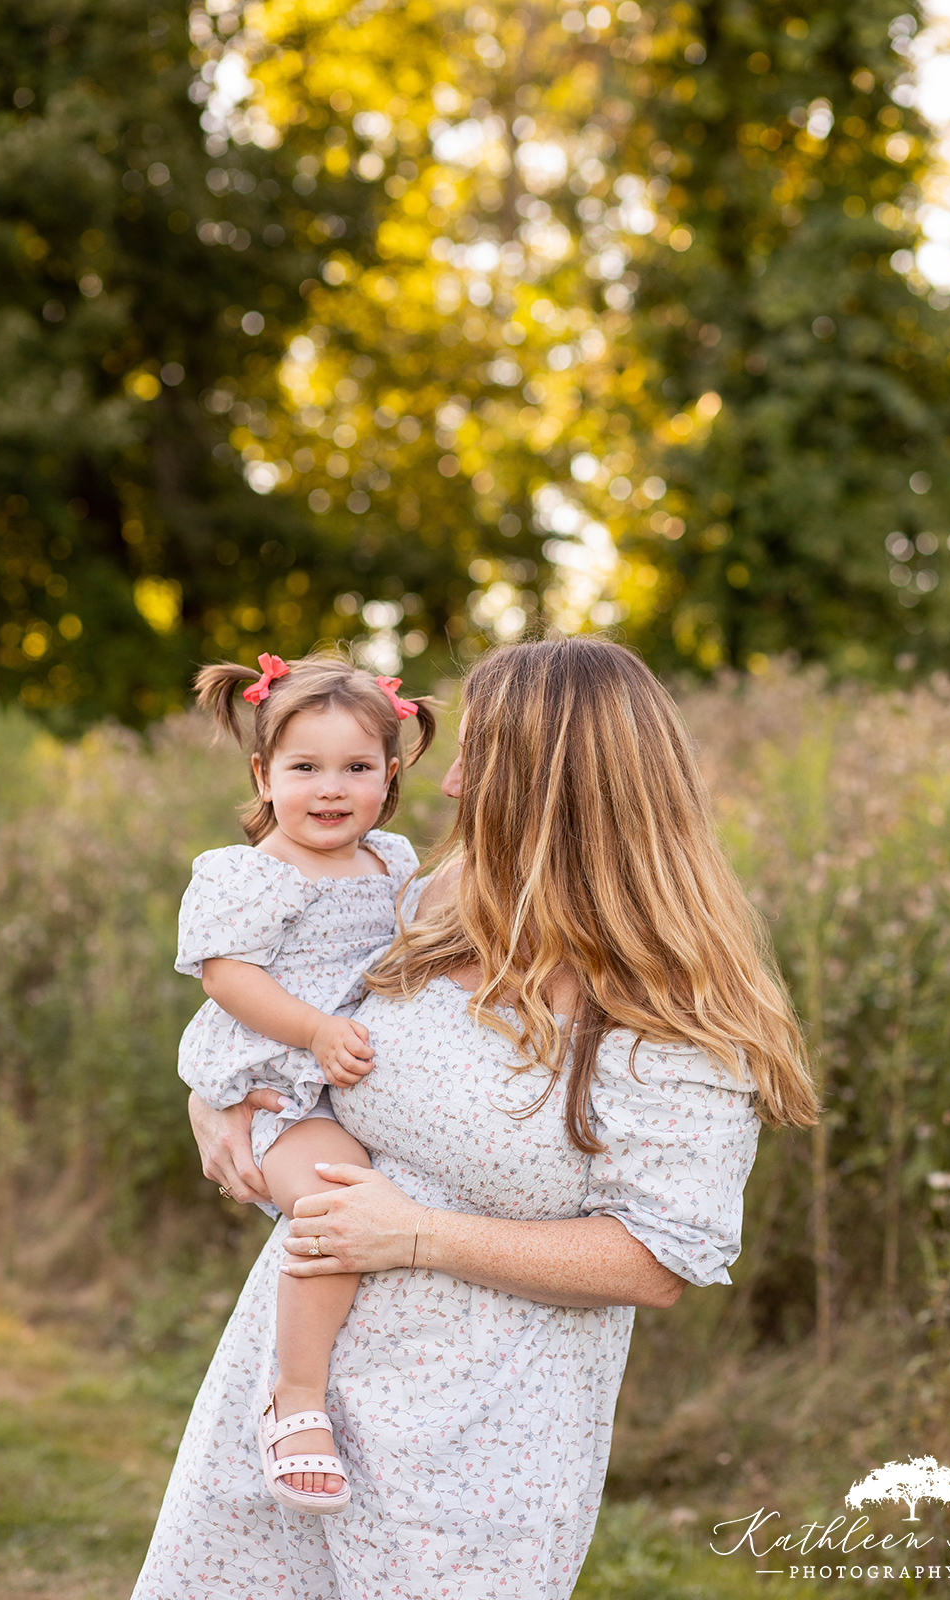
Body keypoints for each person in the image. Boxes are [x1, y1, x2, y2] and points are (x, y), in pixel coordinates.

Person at [132, 637, 819, 1600]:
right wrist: (214, 1101)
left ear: (556, 789)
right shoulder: (437, 899)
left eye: (478, 760)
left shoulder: (668, 1012)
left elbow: (657, 1259)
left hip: (473, 1444)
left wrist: (416, 1235)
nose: (448, 784)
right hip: (291, 1399)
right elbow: (288, 1015)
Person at [175, 648, 434, 1513]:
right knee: (334, 1206)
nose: (330, 789)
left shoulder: (392, 862)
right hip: (281, 1087)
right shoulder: (250, 873)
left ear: (389, 777)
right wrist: (317, 1031)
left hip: (346, 1084)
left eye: (356, 768)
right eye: (304, 768)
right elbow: (229, 979)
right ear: (263, 774)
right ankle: (295, 1400)